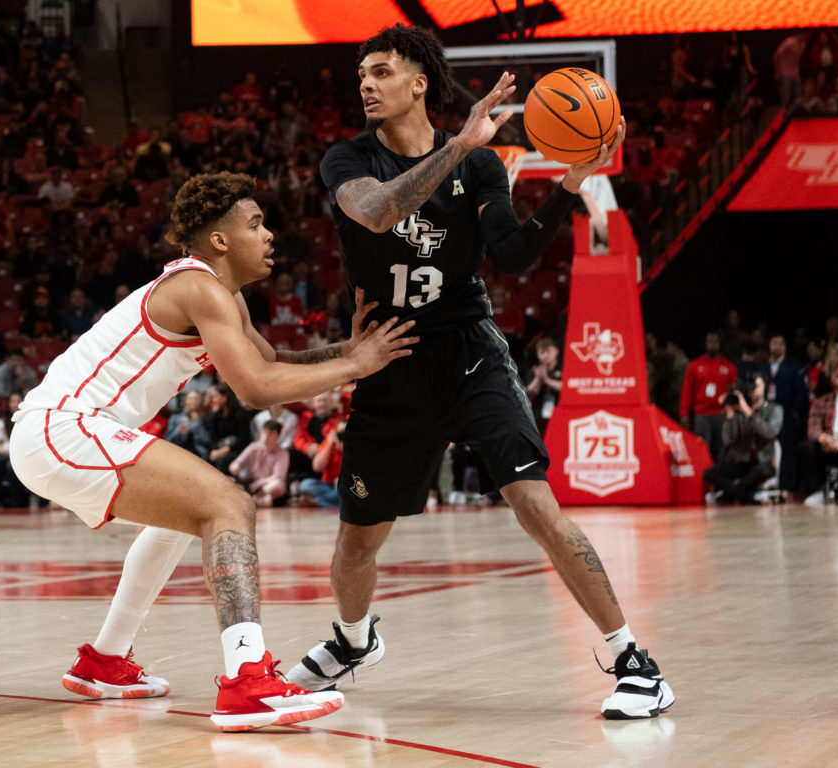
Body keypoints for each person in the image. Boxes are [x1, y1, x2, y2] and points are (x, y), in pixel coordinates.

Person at [282, 24, 672, 721]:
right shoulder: (348, 158)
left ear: (418, 83)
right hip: (387, 359)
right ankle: (352, 641)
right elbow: (375, 213)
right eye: (361, 74)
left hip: (466, 348)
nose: (365, 84)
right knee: (356, 540)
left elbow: (514, 256)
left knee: (534, 504)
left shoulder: (483, 169)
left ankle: (631, 658)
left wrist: (569, 189)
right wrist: (459, 144)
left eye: (380, 71)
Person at [8, 172, 416, 731]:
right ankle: (248, 683)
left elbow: (273, 362)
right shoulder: (198, 287)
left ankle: (104, 661)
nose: (269, 234)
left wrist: (347, 348)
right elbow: (253, 389)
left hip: (63, 430)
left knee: (186, 518)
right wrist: (355, 367)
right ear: (220, 240)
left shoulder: (224, 298)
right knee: (229, 504)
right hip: (61, 427)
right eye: (256, 224)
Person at [702, 372, 783, 504]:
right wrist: (730, 415)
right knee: (709, 473)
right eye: (750, 387)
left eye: (756, 386)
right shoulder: (739, 410)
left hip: (763, 462)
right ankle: (741, 493)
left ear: (765, 387)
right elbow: (728, 440)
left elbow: (770, 432)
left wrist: (748, 412)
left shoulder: (774, 409)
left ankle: (731, 491)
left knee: (763, 470)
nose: (753, 390)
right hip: (741, 464)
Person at [798, 363, 838, 506]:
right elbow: (813, 427)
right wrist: (824, 438)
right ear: (834, 379)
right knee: (805, 447)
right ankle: (817, 491)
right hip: (826, 443)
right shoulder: (821, 402)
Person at [680, 331, 737, 463]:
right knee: (702, 451)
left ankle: (719, 481)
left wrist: (732, 414)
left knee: (721, 451)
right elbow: (687, 391)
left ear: (720, 344)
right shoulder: (694, 365)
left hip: (721, 415)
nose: (712, 344)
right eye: (709, 341)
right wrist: (684, 414)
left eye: (715, 341)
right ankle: (703, 480)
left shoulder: (728, 366)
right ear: (705, 344)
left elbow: (733, 393)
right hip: (702, 415)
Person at [766, 334, 807, 495]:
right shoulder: (763, 366)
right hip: (766, 413)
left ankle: (787, 485)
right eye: (773, 342)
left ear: (784, 347)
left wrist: (795, 413)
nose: (777, 346)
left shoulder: (793, 367)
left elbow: (800, 393)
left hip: (786, 414)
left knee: (787, 451)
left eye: (780, 343)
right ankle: (769, 484)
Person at [229, 420, 290, 507]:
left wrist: (258, 484)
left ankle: (254, 500)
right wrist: (236, 467)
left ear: (278, 436)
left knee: (277, 485)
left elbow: (278, 476)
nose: (266, 436)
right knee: (228, 481)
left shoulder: (282, 453)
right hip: (248, 483)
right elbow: (237, 463)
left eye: (271, 434)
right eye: (265, 433)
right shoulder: (253, 447)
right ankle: (256, 500)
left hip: (266, 486)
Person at [524, 336, 562, 435]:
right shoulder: (535, 370)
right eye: (542, 352)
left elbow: (566, 388)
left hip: (559, 412)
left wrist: (547, 380)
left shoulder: (563, 367)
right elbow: (529, 393)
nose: (545, 355)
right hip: (539, 415)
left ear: (556, 351)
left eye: (548, 351)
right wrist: (538, 378)